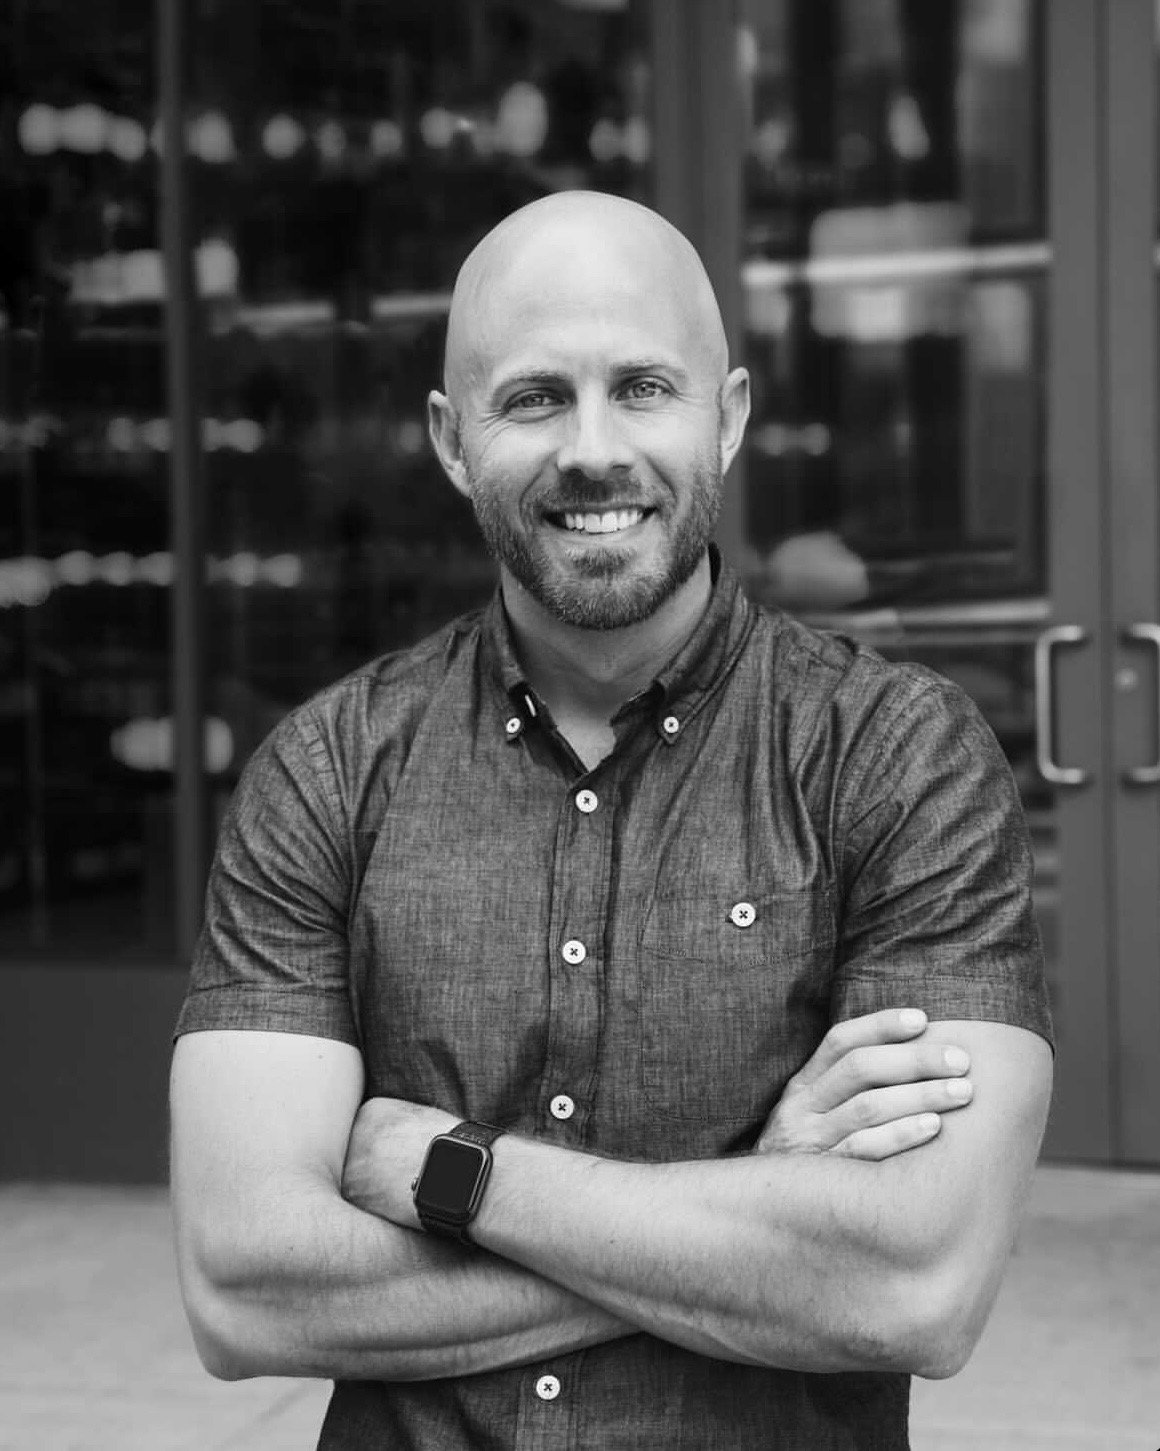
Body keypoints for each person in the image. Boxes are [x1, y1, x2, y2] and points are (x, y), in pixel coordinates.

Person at [170, 191, 1053, 1450]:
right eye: (533, 397)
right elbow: (243, 1288)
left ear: (728, 417)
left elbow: (915, 1287)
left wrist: (448, 1174)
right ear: (451, 438)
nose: (593, 448)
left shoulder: (897, 757)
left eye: (642, 386)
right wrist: (758, 1216)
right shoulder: (326, 772)